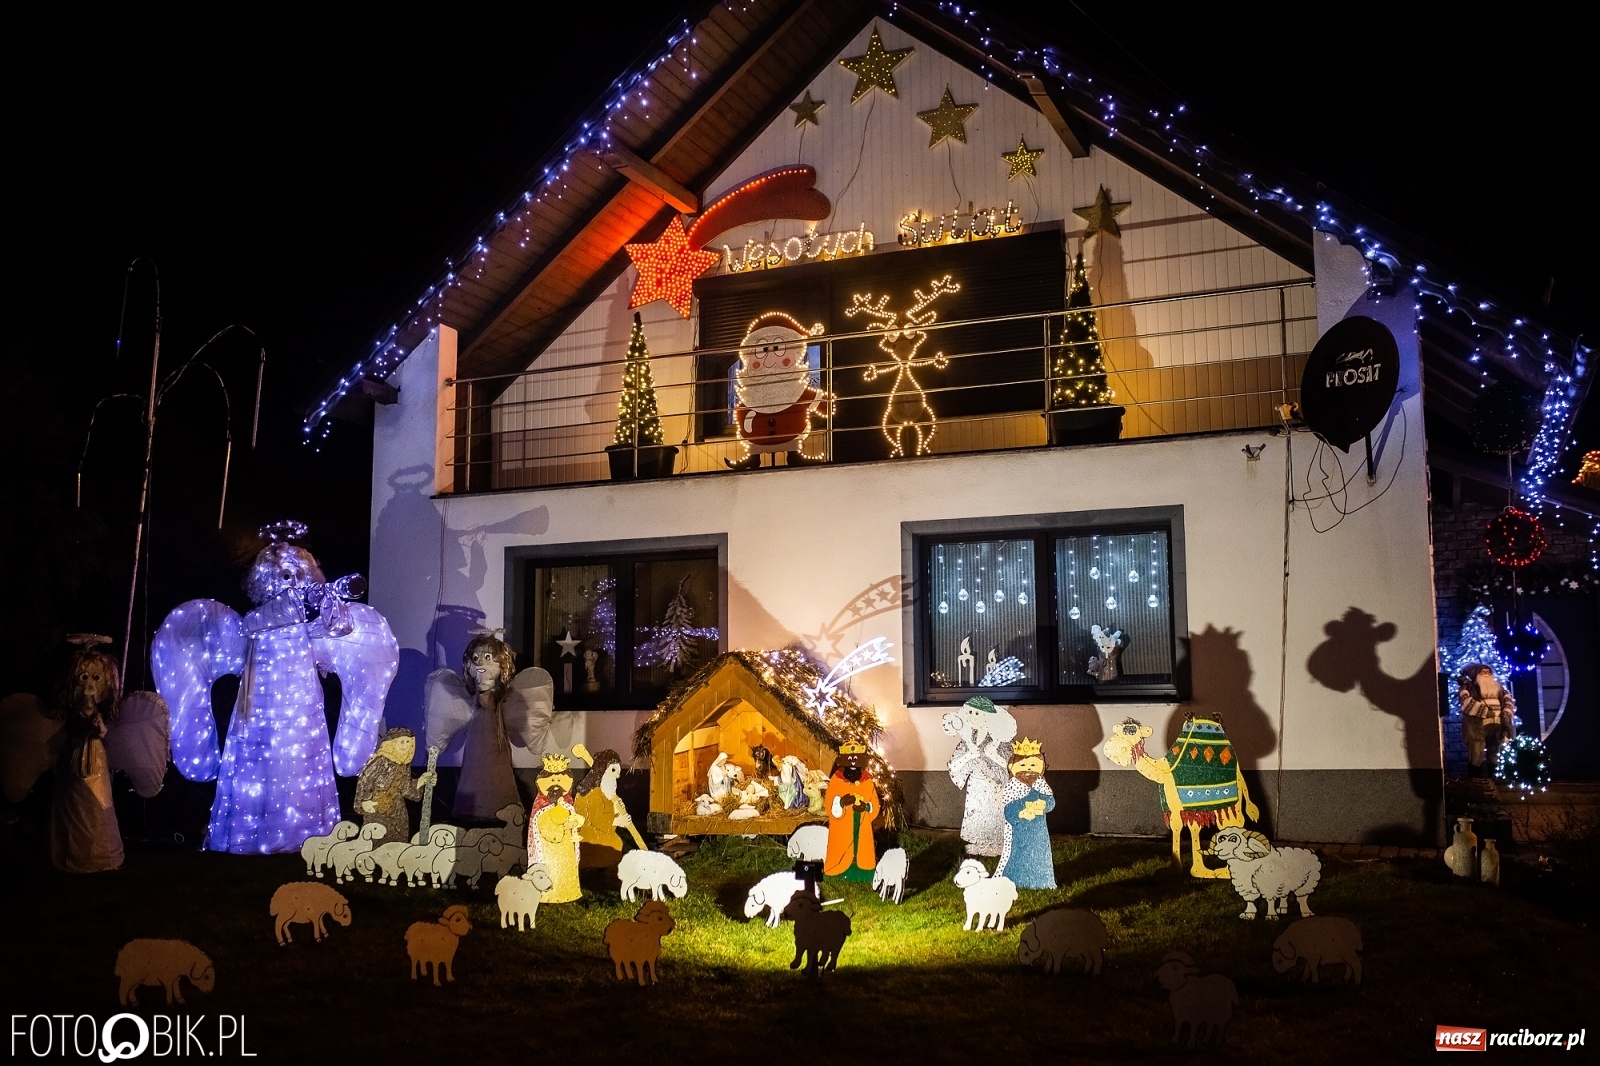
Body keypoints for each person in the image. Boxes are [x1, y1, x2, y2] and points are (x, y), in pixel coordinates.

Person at [355, 728, 437, 844]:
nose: (405, 746)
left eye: (408, 742)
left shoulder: (403, 765)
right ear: (392, 743)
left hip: (398, 815)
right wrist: (363, 802)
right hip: (377, 813)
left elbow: (406, 789)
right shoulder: (379, 761)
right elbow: (364, 781)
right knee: (376, 844)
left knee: (396, 846)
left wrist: (421, 781)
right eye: (401, 742)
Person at [996, 738, 1056, 889]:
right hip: (1019, 832)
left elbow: (1050, 801)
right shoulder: (1012, 787)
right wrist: (1021, 812)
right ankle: (1016, 879)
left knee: (1039, 854)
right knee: (1019, 854)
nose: (1028, 769)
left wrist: (1043, 804)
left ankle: (1042, 881)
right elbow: (1008, 809)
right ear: (1012, 766)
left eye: (1033, 765)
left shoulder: (1041, 784)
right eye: (1023, 765)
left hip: (1038, 831)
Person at [527, 753, 585, 902]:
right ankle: (547, 893)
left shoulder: (567, 801)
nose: (556, 784)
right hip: (548, 847)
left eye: (560, 780)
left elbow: (571, 816)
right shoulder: (540, 805)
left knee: (566, 868)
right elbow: (541, 825)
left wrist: (576, 822)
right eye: (552, 780)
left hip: (566, 848)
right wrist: (562, 828)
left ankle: (569, 891)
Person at [823, 741, 880, 881]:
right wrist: (841, 802)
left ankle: (864, 871)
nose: (853, 763)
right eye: (850, 759)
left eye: (856, 759)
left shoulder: (867, 780)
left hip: (861, 824)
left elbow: (874, 804)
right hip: (842, 827)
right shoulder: (836, 780)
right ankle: (839, 869)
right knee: (842, 846)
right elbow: (830, 805)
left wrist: (866, 807)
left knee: (862, 846)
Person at [1457, 664, 1517, 777]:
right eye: (1483, 672)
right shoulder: (1469, 688)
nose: (1486, 674)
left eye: (1488, 672)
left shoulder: (1499, 688)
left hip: (1497, 725)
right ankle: (1477, 778)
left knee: (1495, 752)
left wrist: (1506, 714)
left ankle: (1493, 777)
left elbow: (1508, 701)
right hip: (1478, 727)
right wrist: (1485, 711)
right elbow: (1466, 703)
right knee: (1476, 753)